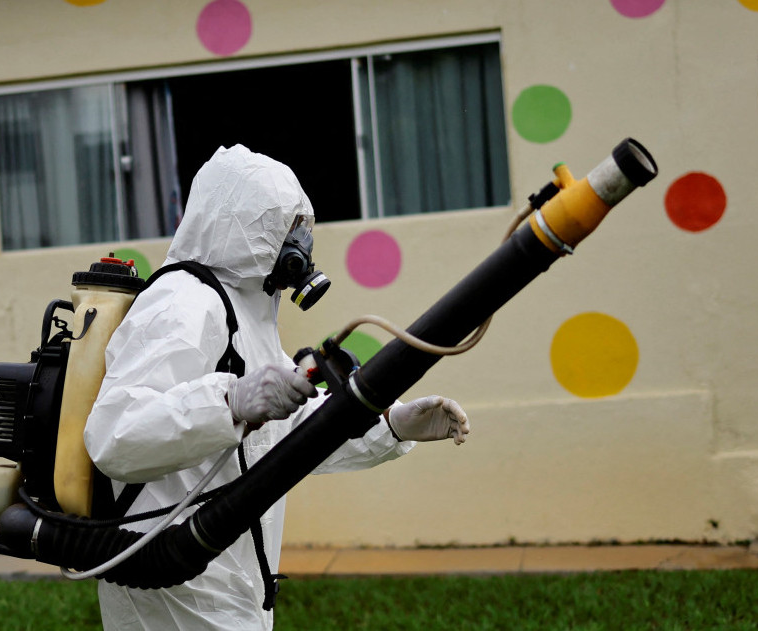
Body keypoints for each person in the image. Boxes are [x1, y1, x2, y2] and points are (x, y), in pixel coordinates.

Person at [84, 145, 469, 630]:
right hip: (172, 586)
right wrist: (231, 403)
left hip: (227, 581)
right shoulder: (182, 301)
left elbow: (290, 437)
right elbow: (114, 434)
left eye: (301, 226)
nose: (300, 244)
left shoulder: (249, 312)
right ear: (238, 219)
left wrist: (390, 426)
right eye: (286, 225)